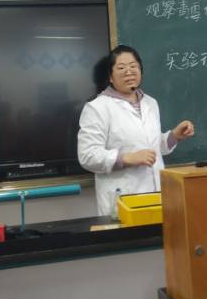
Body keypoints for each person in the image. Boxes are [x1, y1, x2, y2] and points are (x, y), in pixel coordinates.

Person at [78, 44, 195, 216]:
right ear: (110, 76)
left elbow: (152, 147)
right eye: (121, 68)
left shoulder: (150, 103)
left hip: (157, 196)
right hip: (123, 200)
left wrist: (174, 136)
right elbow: (87, 155)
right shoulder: (97, 108)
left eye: (133, 66)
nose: (129, 72)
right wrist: (126, 158)